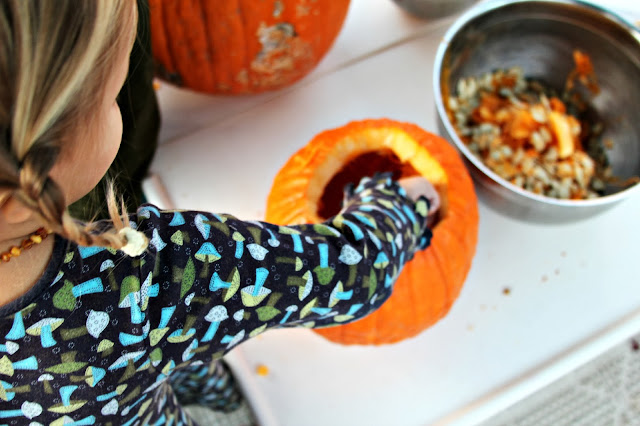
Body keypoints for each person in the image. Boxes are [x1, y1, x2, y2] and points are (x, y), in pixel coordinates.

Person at [0, 1, 440, 425]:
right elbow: (349, 275)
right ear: (25, 189)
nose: (123, 102)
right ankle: (218, 397)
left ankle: (200, 384)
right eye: (111, 99)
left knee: (157, 350)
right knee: (168, 347)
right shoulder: (155, 276)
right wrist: (403, 205)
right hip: (147, 360)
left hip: (130, 369)